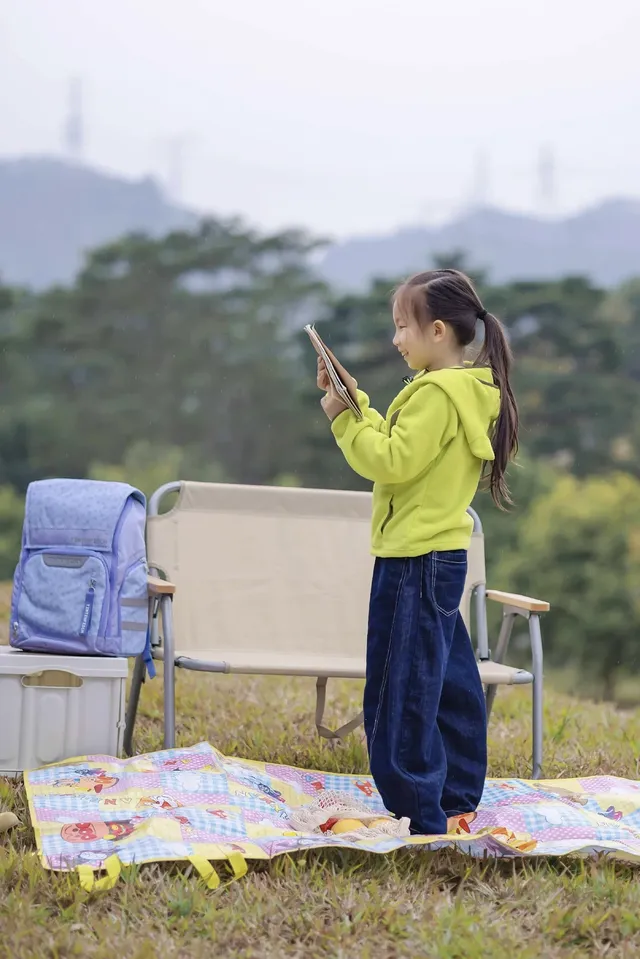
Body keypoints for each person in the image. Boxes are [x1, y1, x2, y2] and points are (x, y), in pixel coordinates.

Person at [316, 268, 519, 836]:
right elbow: (406, 454)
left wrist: (340, 422)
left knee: (400, 686)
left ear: (436, 331)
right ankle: (456, 798)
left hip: (411, 561)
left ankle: (419, 812)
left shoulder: (433, 394)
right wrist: (358, 405)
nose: (396, 339)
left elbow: (389, 463)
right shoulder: (467, 391)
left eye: (402, 327)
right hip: (441, 556)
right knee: (449, 679)